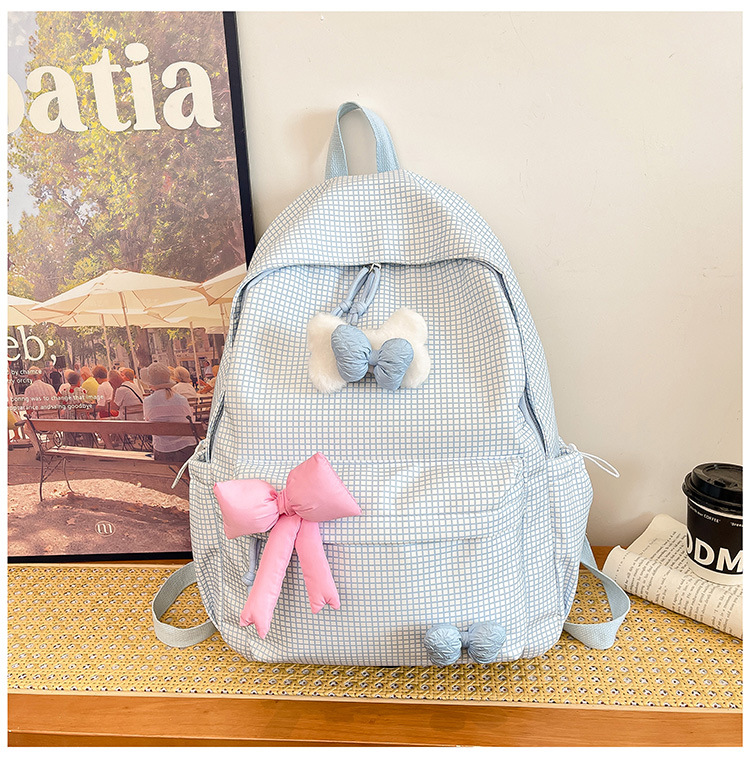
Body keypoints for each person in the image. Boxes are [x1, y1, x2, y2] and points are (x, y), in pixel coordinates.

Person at [141, 362, 196, 462]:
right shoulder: (181, 399)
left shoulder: (148, 401)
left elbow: (148, 422)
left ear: (150, 383)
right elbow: (191, 420)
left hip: (162, 450)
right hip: (186, 448)